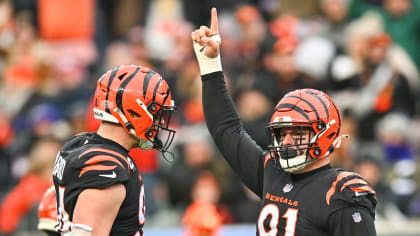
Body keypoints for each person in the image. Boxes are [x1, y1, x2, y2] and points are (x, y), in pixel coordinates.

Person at [191, 8, 377, 236]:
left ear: (325, 133)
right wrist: (210, 65)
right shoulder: (272, 173)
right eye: (282, 133)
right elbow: (226, 130)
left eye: (297, 133)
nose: (287, 141)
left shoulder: (341, 193)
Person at [52, 64, 176, 235]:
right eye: (155, 112)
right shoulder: (107, 165)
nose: (160, 122)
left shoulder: (78, 143)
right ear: (133, 112)